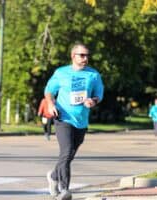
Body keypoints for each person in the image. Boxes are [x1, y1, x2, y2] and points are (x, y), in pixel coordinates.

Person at [44, 43, 104, 200]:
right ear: (73, 56)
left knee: (69, 154)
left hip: (81, 121)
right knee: (66, 150)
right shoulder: (61, 73)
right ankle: (64, 190)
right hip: (63, 117)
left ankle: (54, 176)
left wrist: (93, 101)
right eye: (82, 55)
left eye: (87, 55)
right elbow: (49, 91)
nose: (85, 58)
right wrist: (50, 104)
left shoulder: (93, 75)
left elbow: (99, 94)